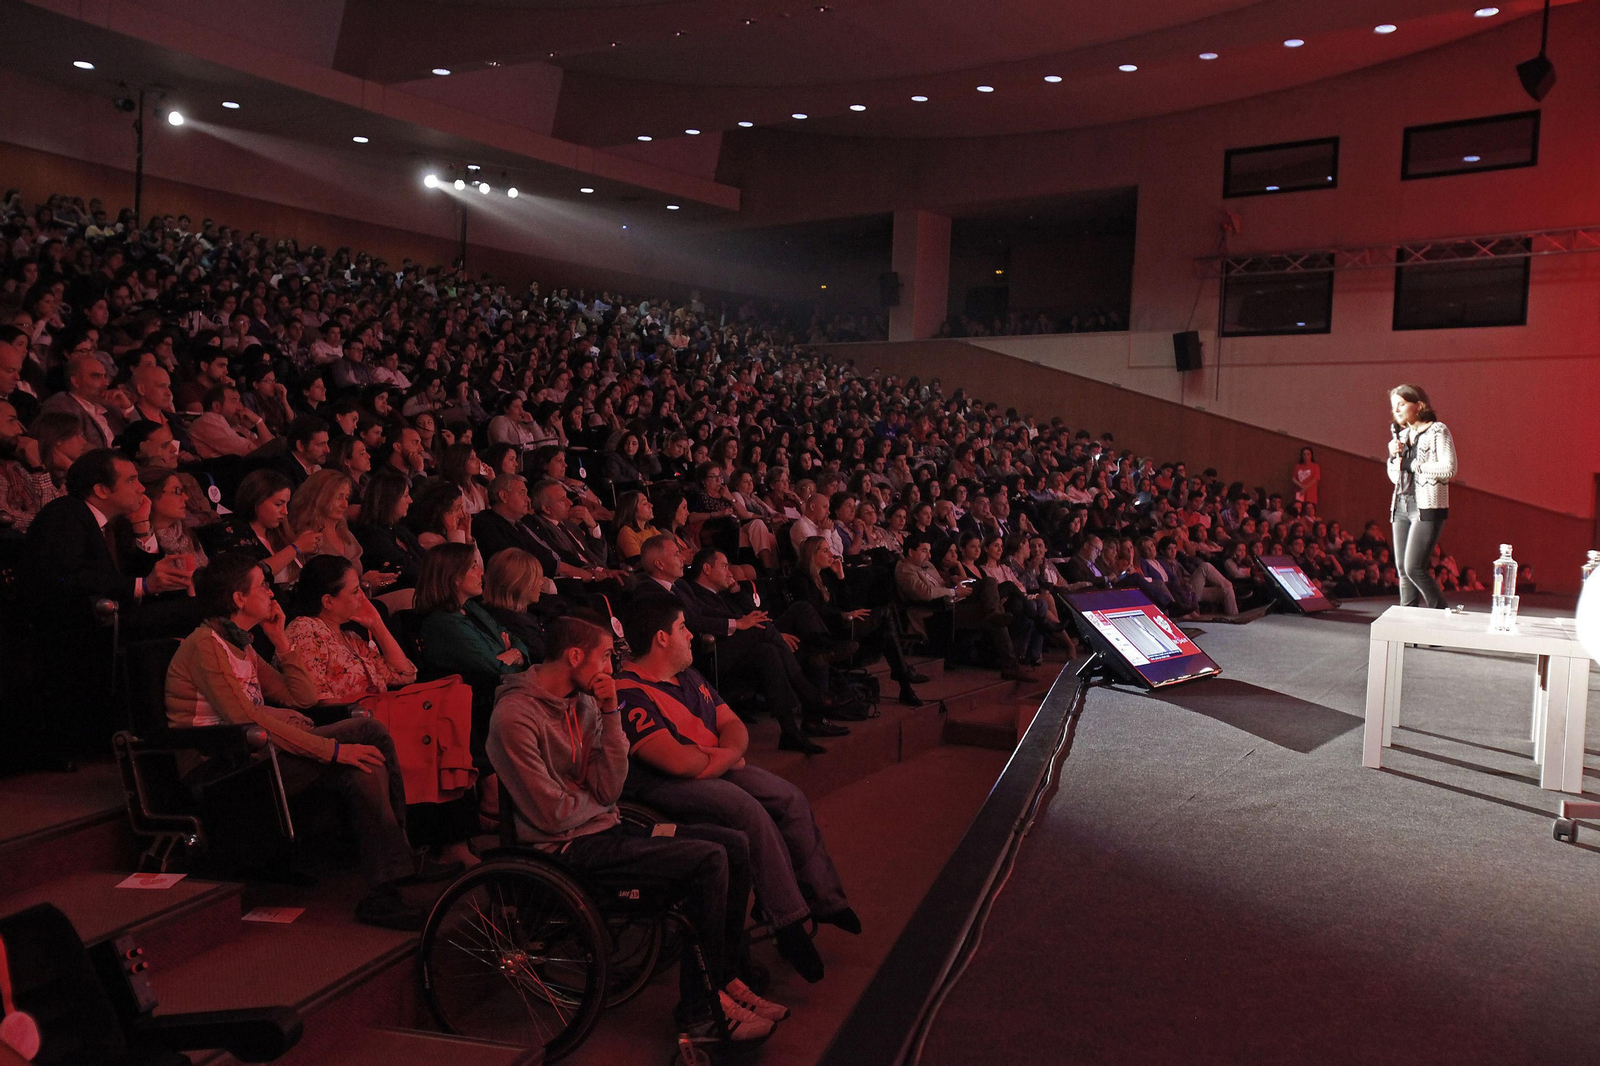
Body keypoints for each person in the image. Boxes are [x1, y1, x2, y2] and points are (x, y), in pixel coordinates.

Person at [487, 611, 784, 1041]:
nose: (612, 667)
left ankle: (726, 978)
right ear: (575, 656)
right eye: (606, 656)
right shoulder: (514, 716)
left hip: (606, 830)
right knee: (707, 859)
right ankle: (699, 1010)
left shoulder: (586, 703)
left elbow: (609, 789)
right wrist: (598, 803)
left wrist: (611, 713)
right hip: (563, 850)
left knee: (733, 844)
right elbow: (552, 814)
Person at [165, 552, 434, 930]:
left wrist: (280, 640)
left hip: (252, 756)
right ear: (239, 599)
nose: (272, 592)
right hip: (218, 769)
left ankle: (385, 891)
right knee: (367, 733)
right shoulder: (205, 645)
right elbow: (245, 720)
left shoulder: (241, 644)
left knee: (365, 764)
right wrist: (333, 750)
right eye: (263, 586)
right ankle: (401, 857)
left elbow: (301, 697)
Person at [617, 597, 860, 984]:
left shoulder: (688, 675)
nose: (691, 635)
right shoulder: (628, 692)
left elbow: (733, 725)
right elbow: (676, 763)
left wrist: (726, 755)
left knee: (789, 798)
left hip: (712, 767)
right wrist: (730, 758)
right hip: (663, 786)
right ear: (661, 638)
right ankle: (788, 921)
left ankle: (824, 899)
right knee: (747, 811)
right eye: (683, 628)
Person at [285, 554, 478, 871]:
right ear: (328, 601)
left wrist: (377, 624)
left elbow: (406, 674)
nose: (362, 598)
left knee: (452, 701)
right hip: (350, 718)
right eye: (354, 592)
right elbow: (313, 699)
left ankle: (454, 841)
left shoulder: (350, 636)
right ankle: (446, 842)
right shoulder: (305, 630)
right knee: (436, 716)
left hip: (382, 708)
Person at [1387, 384, 1456, 609]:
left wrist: (1413, 464)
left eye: (1401, 404)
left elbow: (1449, 468)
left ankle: (1441, 612)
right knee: (1402, 569)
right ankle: (1407, 619)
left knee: (1414, 567)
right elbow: (1394, 477)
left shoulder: (1438, 431)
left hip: (1426, 505)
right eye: (1394, 406)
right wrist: (1393, 458)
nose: (1397, 410)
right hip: (1401, 504)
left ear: (1419, 405)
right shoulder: (1402, 435)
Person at [480, 547, 548, 661]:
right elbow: (548, 659)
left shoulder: (521, 615)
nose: (541, 583)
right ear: (518, 583)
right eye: (536, 578)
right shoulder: (516, 624)